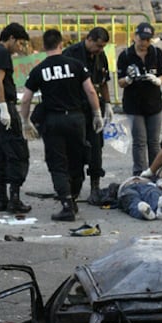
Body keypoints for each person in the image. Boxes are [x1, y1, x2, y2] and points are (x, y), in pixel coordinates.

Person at [20, 29, 104, 222]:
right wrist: (97, 113)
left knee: (57, 164)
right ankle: (74, 198)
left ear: (44, 47)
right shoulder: (76, 65)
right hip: (76, 119)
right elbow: (91, 91)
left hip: (53, 121)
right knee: (77, 160)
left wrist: (25, 122)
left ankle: (66, 204)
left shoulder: (39, 69)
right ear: (60, 45)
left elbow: (25, 100)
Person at [63, 27, 113, 205]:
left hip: (94, 108)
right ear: (89, 39)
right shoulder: (71, 54)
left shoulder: (100, 56)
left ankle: (95, 186)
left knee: (96, 146)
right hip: (75, 107)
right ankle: (71, 187)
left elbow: (104, 81)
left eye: (103, 47)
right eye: (98, 46)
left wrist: (107, 103)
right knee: (74, 148)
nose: (100, 50)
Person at [0, 22, 33, 213]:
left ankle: (2, 198)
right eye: (20, 43)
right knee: (17, 152)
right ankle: (14, 198)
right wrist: (3, 108)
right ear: (12, 38)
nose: (20, 48)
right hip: (2, 105)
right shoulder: (1, 53)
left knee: (0, 153)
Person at [117, 22, 162, 179]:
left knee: (153, 142)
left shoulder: (157, 53)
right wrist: (128, 79)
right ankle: (140, 174)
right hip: (134, 105)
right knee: (139, 141)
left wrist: (158, 80)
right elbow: (120, 82)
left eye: (147, 39)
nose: (144, 43)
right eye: (141, 39)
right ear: (135, 36)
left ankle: (155, 173)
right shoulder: (125, 55)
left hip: (153, 104)